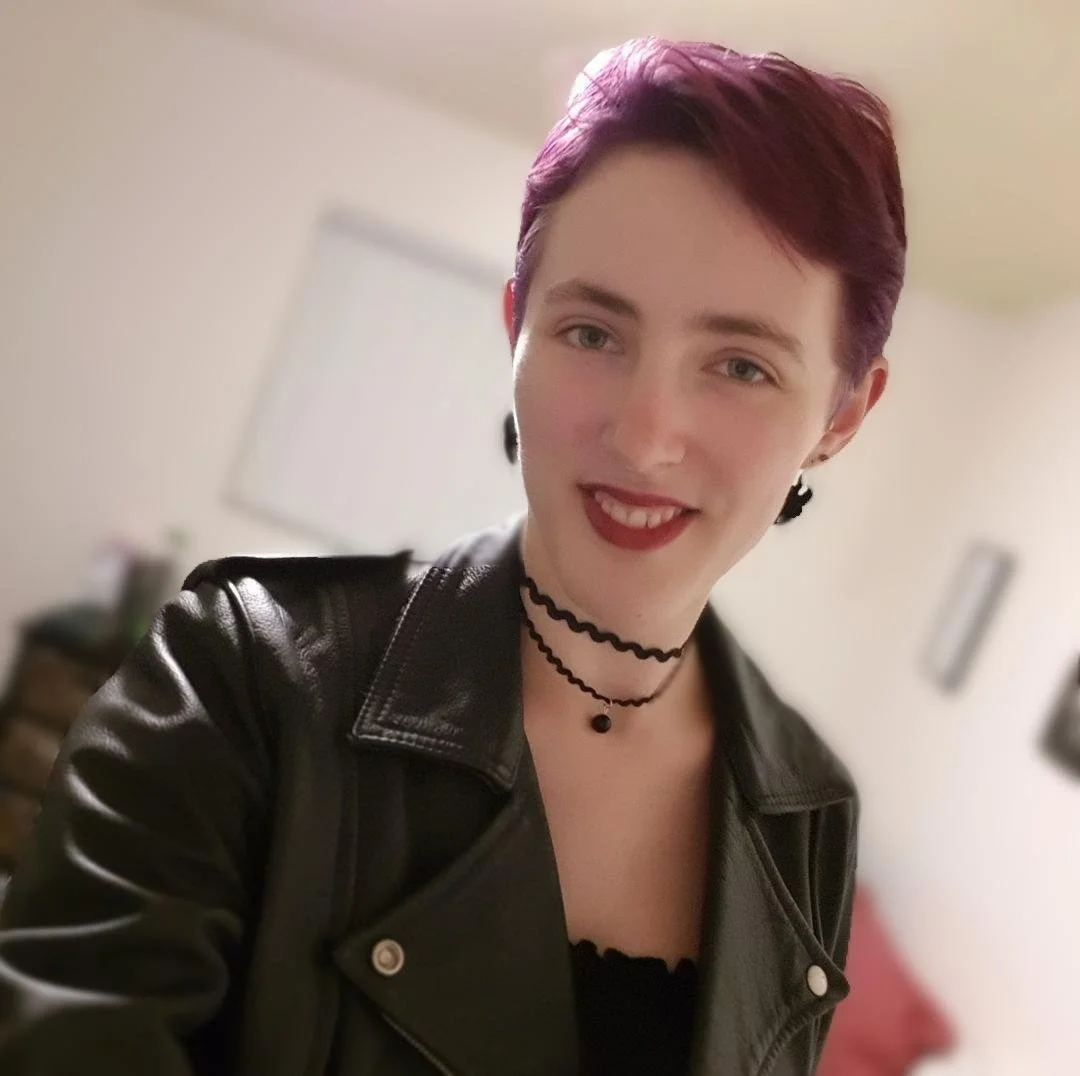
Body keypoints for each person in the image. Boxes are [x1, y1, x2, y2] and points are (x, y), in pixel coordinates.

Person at [0, 35, 905, 1076]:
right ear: (517, 325)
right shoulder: (240, 678)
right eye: (592, 333)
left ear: (843, 414)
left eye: (741, 365)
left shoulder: (808, 812)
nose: (645, 435)